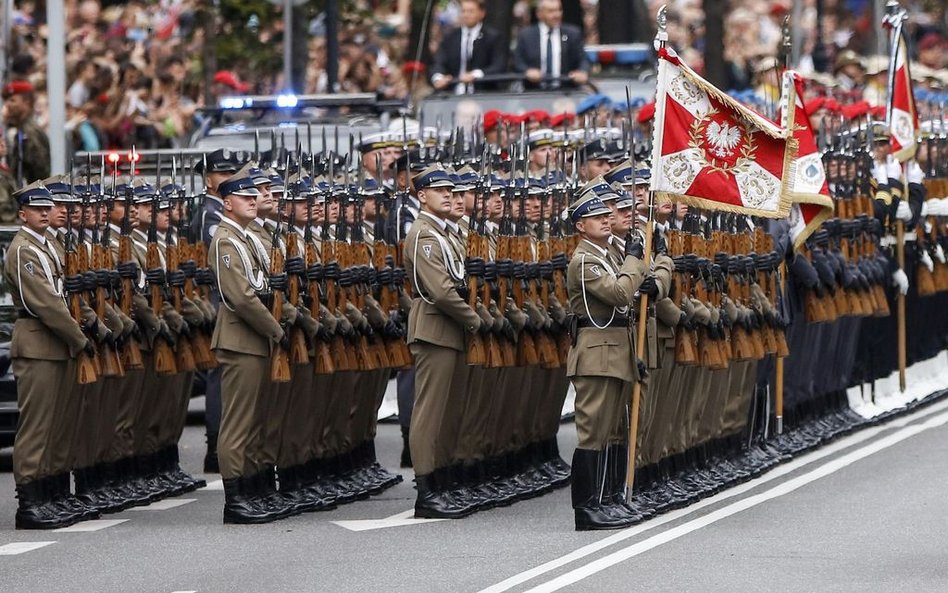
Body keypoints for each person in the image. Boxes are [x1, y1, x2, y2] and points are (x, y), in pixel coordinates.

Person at [565, 186, 668, 531]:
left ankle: (606, 499)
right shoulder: (585, 261)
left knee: (613, 430)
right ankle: (585, 507)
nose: (606, 221)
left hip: (615, 351)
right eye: (597, 217)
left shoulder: (606, 254)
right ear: (580, 225)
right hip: (596, 354)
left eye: (606, 215)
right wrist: (635, 260)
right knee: (593, 432)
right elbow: (621, 292)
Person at [5, 181, 95, 529]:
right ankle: (31, 501)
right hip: (39, 343)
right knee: (38, 427)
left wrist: (89, 327)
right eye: (38, 209)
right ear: (22, 213)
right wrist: (78, 337)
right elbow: (44, 302)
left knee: (59, 425)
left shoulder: (52, 245)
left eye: (49, 208)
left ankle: (54, 494)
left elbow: (69, 293)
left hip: (57, 344)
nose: (46, 213)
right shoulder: (23, 250)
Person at [209, 165, 291, 524]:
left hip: (257, 338)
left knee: (257, 421)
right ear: (227, 203)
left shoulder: (246, 237)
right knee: (239, 423)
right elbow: (241, 298)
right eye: (245, 197)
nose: (254, 201)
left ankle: (255, 489)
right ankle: (236, 496)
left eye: (254, 196)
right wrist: (276, 329)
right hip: (242, 340)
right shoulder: (226, 240)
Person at [403, 164, 485, 519]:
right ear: (422, 196)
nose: (449, 196)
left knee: (450, 412)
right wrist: (473, 319)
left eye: (452, 191)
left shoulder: (445, 233)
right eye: (440, 191)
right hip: (436, 328)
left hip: (450, 329)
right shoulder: (423, 234)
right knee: (430, 412)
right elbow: (439, 290)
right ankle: (427, 488)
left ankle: (443, 481)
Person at [430, 0, 506, 94]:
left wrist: (475, 74)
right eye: (463, 11)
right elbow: (439, 62)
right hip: (452, 94)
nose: (466, 15)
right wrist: (438, 77)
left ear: (482, 13)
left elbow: (498, 66)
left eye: (471, 11)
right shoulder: (450, 37)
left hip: (482, 94)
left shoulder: (493, 37)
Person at [512, 0, 589, 89]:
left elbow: (583, 59)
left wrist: (582, 71)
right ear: (539, 14)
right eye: (551, 11)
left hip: (566, 92)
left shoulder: (572, 34)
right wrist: (527, 71)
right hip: (533, 93)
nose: (556, 15)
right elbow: (517, 61)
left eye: (559, 10)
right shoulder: (526, 35)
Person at [3, 81, 51, 184]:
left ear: (27, 102)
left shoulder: (30, 133)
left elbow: (39, 174)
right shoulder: (21, 129)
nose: (7, 105)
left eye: (12, 100)